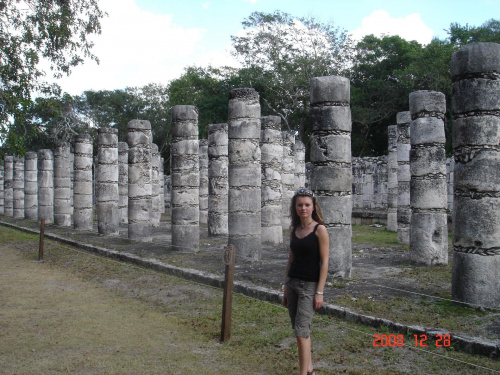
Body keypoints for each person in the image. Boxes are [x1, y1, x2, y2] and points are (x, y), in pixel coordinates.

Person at [283, 188, 329, 375]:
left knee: (302, 333)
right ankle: (309, 370)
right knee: (298, 330)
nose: (303, 208)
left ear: (313, 207)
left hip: (309, 286)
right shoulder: (294, 229)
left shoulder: (320, 230)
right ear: (295, 207)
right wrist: (285, 287)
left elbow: (325, 261)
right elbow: (290, 259)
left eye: (307, 205)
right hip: (293, 284)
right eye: (300, 205)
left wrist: (320, 291)